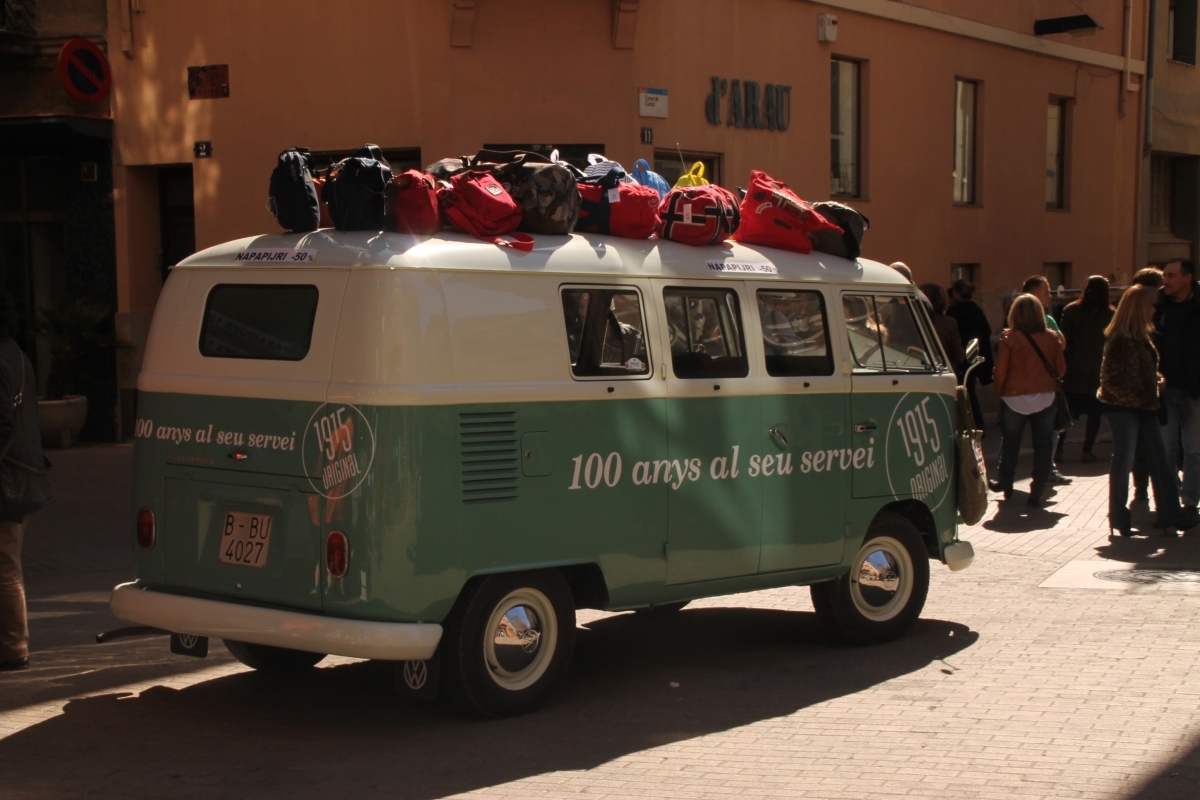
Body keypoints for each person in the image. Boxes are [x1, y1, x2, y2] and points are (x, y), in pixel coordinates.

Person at [1098, 285, 1192, 536]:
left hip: (1147, 406)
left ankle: (1170, 515)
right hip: (1123, 409)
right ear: (1139, 308)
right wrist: (1144, 392)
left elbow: (1144, 371)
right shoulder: (1119, 338)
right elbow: (1111, 380)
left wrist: (1156, 380)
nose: (1155, 309)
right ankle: (1118, 517)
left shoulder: (1142, 335)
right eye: (1151, 305)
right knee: (1124, 460)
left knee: (1161, 459)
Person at [0, 294, 53, 672]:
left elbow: (2, 425)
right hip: (21, 475)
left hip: (7, 479)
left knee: (5, 564)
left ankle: (13, 647)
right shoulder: (17, 354)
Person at [989, 294, 1066, 507]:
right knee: (1043, 445)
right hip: (1045, 395)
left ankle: (1006, 483)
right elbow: (1060, 369)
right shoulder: (1052, 338)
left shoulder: (1009, 339)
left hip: (1014, 397)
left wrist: (999, 393)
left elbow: (1001, 371)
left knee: (1011, 442)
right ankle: (1038, 490)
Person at [1153, 258, 1200, 519]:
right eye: (1164, 276)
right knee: (1166, 450)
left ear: (1187, 278)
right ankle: (1170, 500)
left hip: (1195, 389)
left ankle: (1191, 502)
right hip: (1165, 389)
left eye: (1171, 276)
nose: (1166, 281)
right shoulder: (1158, 305)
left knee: (1194, 449)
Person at [1022, 275, 1071, 486]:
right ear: (1034, 294)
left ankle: (1005, 477)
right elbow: (1061, 346)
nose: (1049, 296)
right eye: (1046, 291)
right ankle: (1046, 471)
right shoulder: (1048, 321)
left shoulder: (1011, 319)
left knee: (1012, 435)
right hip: (1044, 385)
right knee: (1049, 432)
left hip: (1018, 387)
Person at [1058, 276, 1113, 463]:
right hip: (1096, 372)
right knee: (1094, 414)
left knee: (1067, 413)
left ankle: (1058, 449)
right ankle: (1087, 450)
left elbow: (1063, 342)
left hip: (1075, 371)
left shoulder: (1071, 310)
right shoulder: (1111, 314)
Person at [1130, 268, 1164, 504]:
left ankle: (1144, 487)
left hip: (1151, 390)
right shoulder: (1137, 324)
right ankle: (1145, 487)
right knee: (1148, 444)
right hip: (1144, 394)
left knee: (1144, 446)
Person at [947, 279, 994, 430]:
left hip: (960, 357)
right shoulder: (977, 310)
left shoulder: (954, 312)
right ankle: (977, 424)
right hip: (974, 356)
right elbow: (986, 332)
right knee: (970, 391)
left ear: (957, 293)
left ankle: (970, 424)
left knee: (964, 392)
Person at [919, 283, 967, 371]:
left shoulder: (912, 320)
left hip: (915, 371)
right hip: (942, 373)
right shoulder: (949, 323)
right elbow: (959, 357)